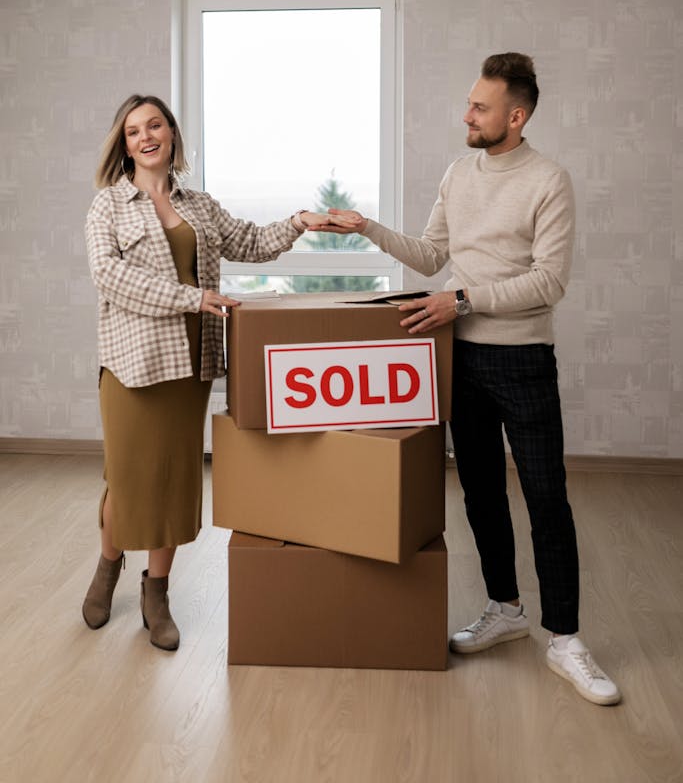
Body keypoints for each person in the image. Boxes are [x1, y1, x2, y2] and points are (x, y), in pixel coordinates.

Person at [325, 53, 621, 706]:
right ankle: (505, 608)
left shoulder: (548, 180)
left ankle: (565, 638)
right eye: (469, 103)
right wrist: (366, 227)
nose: (466, 114)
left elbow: (548, 281)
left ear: (514, 117)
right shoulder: (459, 174)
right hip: (461, 357)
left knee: (546, 499)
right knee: (480, 493)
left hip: (521, 359)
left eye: (480, 107)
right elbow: (433, 255)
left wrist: (458, 300)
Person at [82, 93, 329, 650]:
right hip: (132, 364)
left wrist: (299, 222)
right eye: (132, 131)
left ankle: (157, 592)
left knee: (172, 479)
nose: (145, 137)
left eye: (155, 125)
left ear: (171, 133)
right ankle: (107, 565)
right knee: (128, 477)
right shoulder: (109, 207)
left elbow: (251, 242)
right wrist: (191, 298)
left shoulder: (200, 205)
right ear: (123, 146)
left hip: (190, 366)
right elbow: (110, 277)